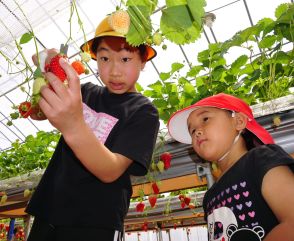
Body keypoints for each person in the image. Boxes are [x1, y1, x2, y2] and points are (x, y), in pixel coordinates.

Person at [26, 12, 159, 241]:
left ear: (143, 61)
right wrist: (47, 70)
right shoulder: (85, 91)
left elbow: (111, 170)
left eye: (125, 59)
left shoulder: (143, 111)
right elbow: (40, 113)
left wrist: (73, 126)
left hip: (94, 221)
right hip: (49, 210)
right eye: (104, 59)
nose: (114, 71)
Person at [167, 93, 294, 241]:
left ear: (239, 121)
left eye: (205, 119)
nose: (197, 132)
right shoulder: (210, 197)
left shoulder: (260, 159)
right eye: (192, 131)